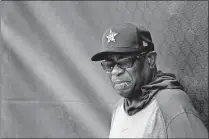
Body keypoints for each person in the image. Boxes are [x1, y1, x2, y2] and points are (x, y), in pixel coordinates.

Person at [91, 23, 208, 138]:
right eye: (109, 64)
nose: (115, 71)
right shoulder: (120, 107)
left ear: (150, 60)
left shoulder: (170, 103)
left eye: (124, 61)